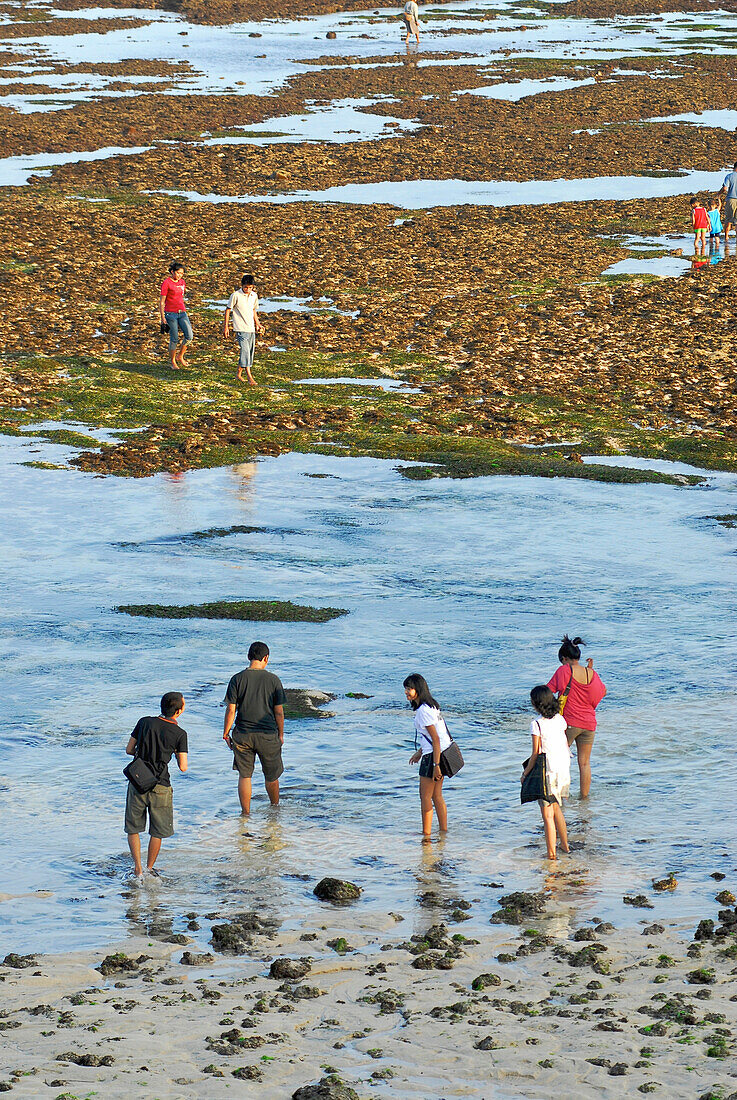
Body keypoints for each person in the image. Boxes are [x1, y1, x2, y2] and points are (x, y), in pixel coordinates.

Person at [124, 691, 188, 879]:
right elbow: (183, 767)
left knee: (133, 828)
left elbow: (129, 750)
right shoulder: (180, 734)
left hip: (138, 781)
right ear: (178, 711)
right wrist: (174, 752)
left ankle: (137, 869)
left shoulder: (144, 722)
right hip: (161, 785)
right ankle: (150, 868)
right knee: (157, 831)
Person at [223, 641, 286, 815]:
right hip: (267, 734)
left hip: (243, 734)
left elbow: (231, 709)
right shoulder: (273, 680)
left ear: (249, 656)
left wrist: (226, 733)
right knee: (271, 775)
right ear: (266, 658)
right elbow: (279, 712)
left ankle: (245, 814)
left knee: (245, 775)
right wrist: (281, 734)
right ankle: (274, 810)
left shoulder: (237, 679)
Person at [547, 635, 606, 799]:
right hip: (589, 724)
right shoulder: (591, 673)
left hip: (569, 723)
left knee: (560, 761)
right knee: (585, 763)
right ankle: (584, 801)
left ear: (564, 658)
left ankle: (561, 798)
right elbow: (602, 692)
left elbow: (548, 690)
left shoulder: (564, 670)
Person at [521, 686, 571, 861]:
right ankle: (565, 846)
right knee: (557, 809)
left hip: (547, 771)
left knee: (547, 816)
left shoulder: (536, 724)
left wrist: (525, 774)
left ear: (536, 704)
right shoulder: (560, 719)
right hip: (563, 769)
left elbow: (535, 753)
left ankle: (552, 856)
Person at [404, 673, 450, 839]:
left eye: (410, 689)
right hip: (441, 753)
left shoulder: (423, 711)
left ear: (418, 690)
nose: (406, 692)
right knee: (437, 796)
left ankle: (426, 835)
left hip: (434, 757)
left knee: (425, 797)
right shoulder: (432, 706)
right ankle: (443, 832)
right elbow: (437, 737)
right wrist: (419, 752)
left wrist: (436, 766)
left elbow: (435, 739)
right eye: (406, 689)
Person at [223, 273, 262, 385]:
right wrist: (226, 326)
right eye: (246, 287)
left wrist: (258, 324)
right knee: (244, 351)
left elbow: (254, 310)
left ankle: (238, 374)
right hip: (240, 328)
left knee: (249, 352)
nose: (248, 290)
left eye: (250, 288)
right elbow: (228, 310)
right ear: (242, 285)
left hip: (251, 328)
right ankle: (250, 377)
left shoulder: (254, 296)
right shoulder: (235, 295)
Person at [159, 261, 192, 370]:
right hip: (170, 314)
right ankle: (173, 361)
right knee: (174, 339)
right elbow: (162, 301)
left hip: (182, 313)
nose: (179, 275)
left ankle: (180, 356)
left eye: (182, 273)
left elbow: (180, 297)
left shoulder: (182, 282)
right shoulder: (166, 283)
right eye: (178, 273)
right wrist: (163, 317)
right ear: (172, 272)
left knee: (189, 336)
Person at [719, 162, 737, 240]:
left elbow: (725, 188)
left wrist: (718, 194)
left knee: (728, 219)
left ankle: (726, 236)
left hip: (731, 199)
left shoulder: (729, 176)